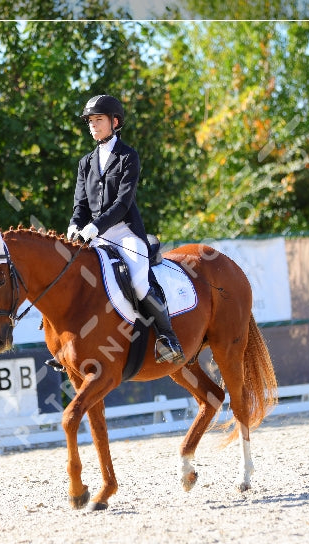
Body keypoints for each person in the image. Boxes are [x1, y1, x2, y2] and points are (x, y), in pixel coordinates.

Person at [67, 94, 184, 364]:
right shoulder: (85, 163)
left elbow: (122, 203)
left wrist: (94, 227)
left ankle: (168, 337)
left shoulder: (128, 156)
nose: (93, 125)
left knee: (138, 282)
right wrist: (75, 225)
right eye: (90, 121)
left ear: (114, 121)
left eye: (99, 120)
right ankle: (70, 345)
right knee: (74, 279)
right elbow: (80, 204)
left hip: (125, 233)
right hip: (93, 235)